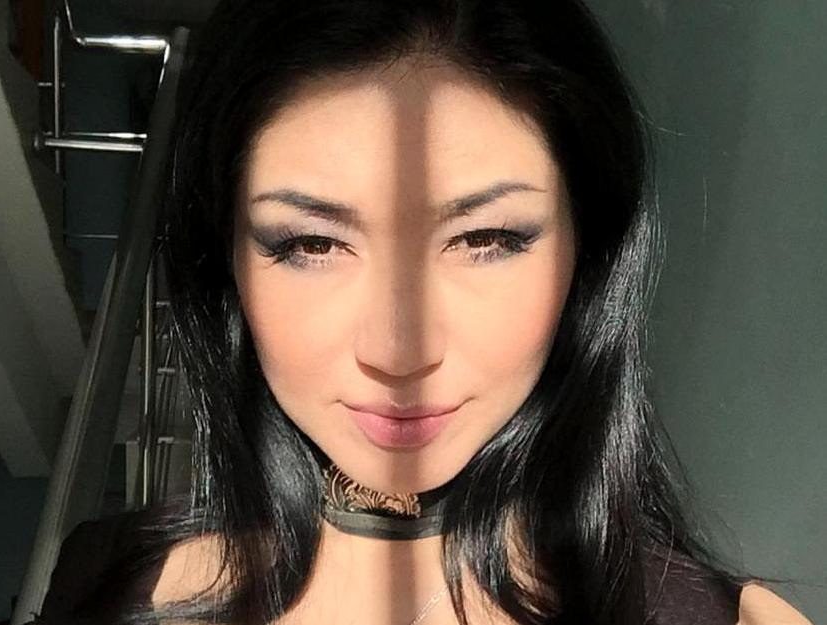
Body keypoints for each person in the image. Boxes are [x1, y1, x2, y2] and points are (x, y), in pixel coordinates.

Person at [41, 1, 813, 624]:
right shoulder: (108, 580)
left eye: (486, 239)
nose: (399, 350)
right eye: (312, 243)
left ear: (588, 251)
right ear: (226, 263)